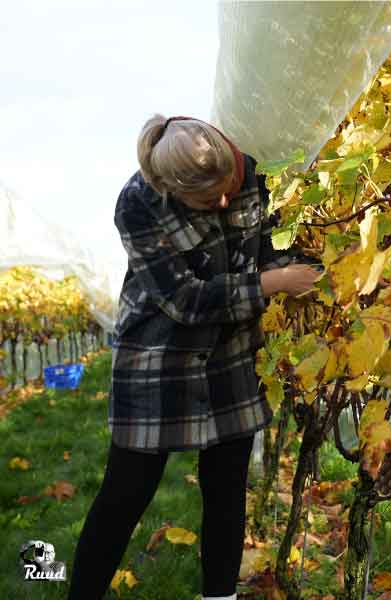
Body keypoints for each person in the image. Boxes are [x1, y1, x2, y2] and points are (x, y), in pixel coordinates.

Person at [67, 115, 319, 600]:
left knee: (227, 492)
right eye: (207, 202)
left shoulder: (253, 172)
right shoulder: (139, 201)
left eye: (228, 190)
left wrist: (296, 270)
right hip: (157, 355)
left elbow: (267, 250)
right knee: (126, 493)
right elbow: (182, 300)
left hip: (231, 353)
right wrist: (273, 284)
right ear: (170, 189)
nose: (224, 202)